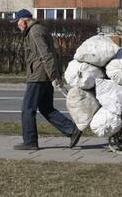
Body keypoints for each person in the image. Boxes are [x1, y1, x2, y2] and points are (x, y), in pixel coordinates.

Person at [12, 9, 82, 150]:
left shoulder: (34, 32)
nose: (17, 25)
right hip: (44, 75)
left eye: (17, 22)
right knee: (46, 108)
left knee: (27, 109)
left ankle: (30, 141)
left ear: (24, 21)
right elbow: (53, 54)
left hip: (38, 76)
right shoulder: (40, 29)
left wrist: (54, 76)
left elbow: (46, 55)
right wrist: (54, 75)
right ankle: (72, 130)